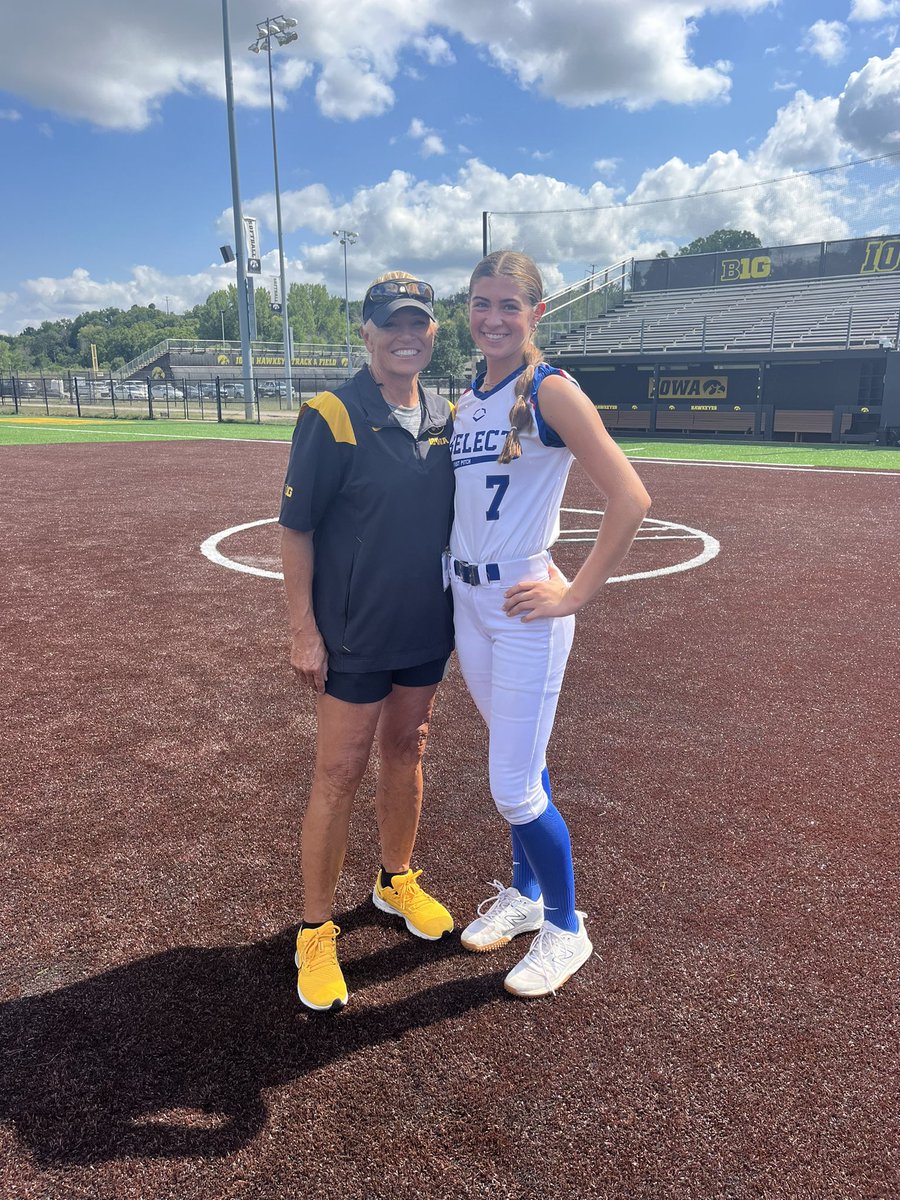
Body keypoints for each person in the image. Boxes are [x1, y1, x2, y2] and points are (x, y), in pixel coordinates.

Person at [448, 251, 651, 997]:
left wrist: (574, 595)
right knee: (519, 764)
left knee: (512, 786)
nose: (492, 318)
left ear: (537, 313)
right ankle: (526, 896)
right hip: (469, 603)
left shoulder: (551, 389)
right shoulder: (468, 395)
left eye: (509, 305)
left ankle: (567, 928)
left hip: (524, 605)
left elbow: (631, 497)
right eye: (480, 303)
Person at [279, 272, 455, 1013]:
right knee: (340, 770)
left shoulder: (450, 414)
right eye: (390, 323)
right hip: (352, 635)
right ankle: (315, 931)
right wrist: (302, 631)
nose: (404, 335)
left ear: (433, 333)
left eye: (417, 322)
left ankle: (396, 880)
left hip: (425, 628)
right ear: (366, 333)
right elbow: (295, 529)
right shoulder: (331, 413)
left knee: (408, 749)